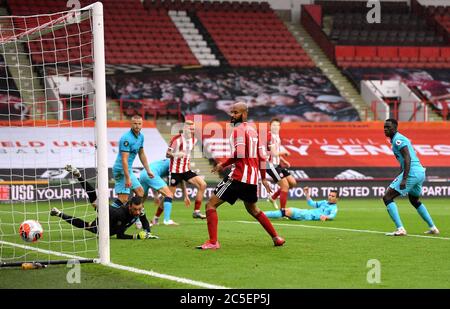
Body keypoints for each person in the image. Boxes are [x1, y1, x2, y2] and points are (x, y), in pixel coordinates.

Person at [197, 102, 285, 250]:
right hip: (252, 179)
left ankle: (213, 242)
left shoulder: (238, 131)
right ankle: (276, 237)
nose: (232, 115)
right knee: (253, 210)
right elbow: (262, 157)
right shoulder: (253, 131)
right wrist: (263, 178)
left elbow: (240, 153)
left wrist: (223, 164)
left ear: (244, 114)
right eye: (231, 112)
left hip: (238, 177)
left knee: (210, 205)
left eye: (235, 112)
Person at [50, 165, 158, 240]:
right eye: (135, 209)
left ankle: (58, 213)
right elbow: (120, 235)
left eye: (140, 209)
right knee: (89, 224)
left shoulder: (139, 210)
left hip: (113, 216)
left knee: (96, 202)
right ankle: (78, 177)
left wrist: (148, 232)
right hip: (107, 219)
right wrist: (137, 236)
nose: (138, 212)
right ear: (130, 207)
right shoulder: (121, 215)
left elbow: (144, 222)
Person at [382, 119, 439, 236]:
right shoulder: (395, 140)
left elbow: (407, 158)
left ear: (395, 128)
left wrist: (404, 178)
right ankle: (433, 227)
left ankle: (400, 229)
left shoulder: (398, 140)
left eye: (388, 127)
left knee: (387, 197)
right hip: (419, 172)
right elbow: (404, 161)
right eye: (384, 127)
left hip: (412, 172)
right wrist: (401, 175)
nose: (385, 129)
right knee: (414, 200)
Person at [166, 120, 207, 219]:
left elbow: (187, 155)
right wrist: (176, 154)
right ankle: (156, 218)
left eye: (193, 129)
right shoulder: (176, 140)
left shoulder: (194, 140)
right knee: (169, 195)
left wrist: (187, 165)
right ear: (184, 128)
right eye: (190, 128)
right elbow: (167, 154)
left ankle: (196, 211)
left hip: (186, 170)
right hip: (175, 171)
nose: (191, 131)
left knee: (203, 185)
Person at [112, 115, 154, 206]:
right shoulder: (126, 138)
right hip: (121, 169)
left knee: (133, 195)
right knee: (130, 196)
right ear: (131, 124)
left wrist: (148, 170)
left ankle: (132, 217)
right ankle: (110, 216)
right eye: (135, 123)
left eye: (139, 124)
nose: (137, 126)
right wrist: (127, 178)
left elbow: (141, 154)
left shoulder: (141, 137)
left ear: (142, 125)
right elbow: (124, 159)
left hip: (126, 169)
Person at [139, 159, 190, 226]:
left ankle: (138, 222)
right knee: (169, 194)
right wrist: (186, 196)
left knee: (140, 201)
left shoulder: (168, 162)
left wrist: (156, 195)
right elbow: (181, 181)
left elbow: (153, 181)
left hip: (143, 174)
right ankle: (167, 220)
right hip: (151, 174)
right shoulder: (175, 165)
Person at [265, 118, 297, 210]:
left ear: (280, 127)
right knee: (285, 186)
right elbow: (274, 153)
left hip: (277, 164)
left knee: (292, 183)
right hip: (270, 165)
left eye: (277, 125)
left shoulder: (277, 136)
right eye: (273, 125)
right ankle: (283, 211)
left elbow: (276, 152)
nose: (275, 127)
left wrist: (283, 160)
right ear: (270, 126)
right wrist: (285, 152)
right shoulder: (269, 136)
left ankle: (273, 197)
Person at [265, 187, 338, 221]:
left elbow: (332, 215)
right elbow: (311, 203)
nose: (330, 197)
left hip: (307, 216)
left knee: (286, 211)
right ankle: (262, 215)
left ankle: (262, 215)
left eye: (333, 196)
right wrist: (306, 193)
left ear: (337, 199)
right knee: (285, 211)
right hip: (306, 212)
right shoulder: (324, 202)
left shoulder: (334, 208)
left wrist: (326, 217)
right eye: (330, 195)